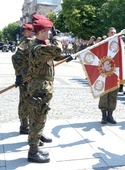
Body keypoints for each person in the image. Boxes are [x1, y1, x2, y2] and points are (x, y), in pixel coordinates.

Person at [27, 15, 73, 163]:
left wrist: (65, 57)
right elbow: (56, 50)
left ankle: (36, 147)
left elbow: (53, 56)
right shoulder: (37, 47)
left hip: (43, 87)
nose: (50, 33)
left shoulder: (42, 45)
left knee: (40, 118)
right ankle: (33, 152)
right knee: (36, 120)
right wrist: (57, 37)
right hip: (39, 88)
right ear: (41, 31)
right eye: (48, 30)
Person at [11, 23, 52, 147]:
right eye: (28, 31)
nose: (30, 33)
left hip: (34, 77)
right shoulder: (27, 43)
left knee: (36, 106)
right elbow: (15, 58)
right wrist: (19, 75)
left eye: (31, 31)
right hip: (26, 77)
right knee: (26, 102)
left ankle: (37, 132)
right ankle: (25, 126)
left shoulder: (37, 41)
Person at [99, 27, 118, 124]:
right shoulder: (103, 44)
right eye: (112, 32)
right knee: (104, 94)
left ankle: (110, 115)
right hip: (104, 72)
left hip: (114, 73)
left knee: (113, 95)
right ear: (108, 33)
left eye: (115, 32)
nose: (113, 34)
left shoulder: (119, 44)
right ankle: (104, 116)